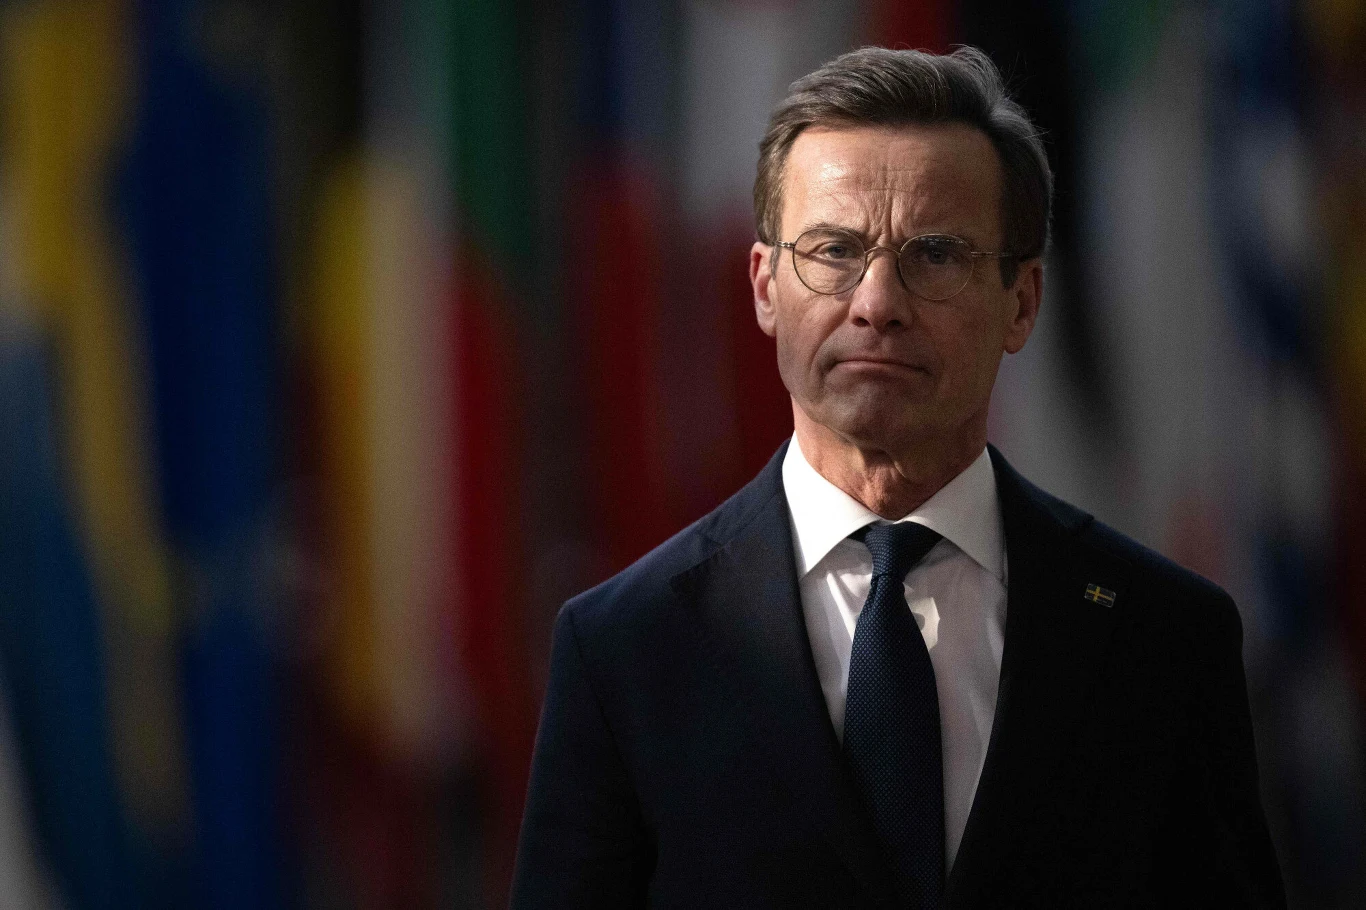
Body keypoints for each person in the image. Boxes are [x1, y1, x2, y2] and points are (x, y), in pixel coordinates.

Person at [510, 46, 1285, 909]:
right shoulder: (623, 649)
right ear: (765, 288)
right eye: (834, 250)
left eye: (936, 254)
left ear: (1022, 302)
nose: (877, 302)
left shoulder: (1166, 638)